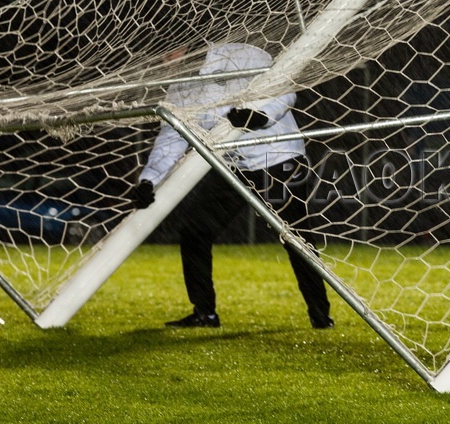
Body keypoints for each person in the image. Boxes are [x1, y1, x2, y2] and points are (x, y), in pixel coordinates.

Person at [131, 42, 333, 330]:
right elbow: (171, 139)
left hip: (277, 158)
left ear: (189, 45)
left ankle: (321, 316)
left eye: (169, 52)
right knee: (196, 231)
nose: (166, 60)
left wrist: (261, 115)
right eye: (162, 55)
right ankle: (205, 314)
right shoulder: (180, 88)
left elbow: (283, 88)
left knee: (295, 238)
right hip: (233, 167)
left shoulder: (242, 55)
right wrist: (149, 180)